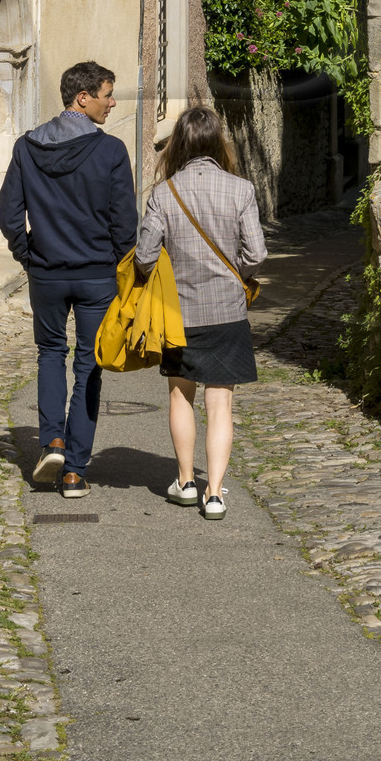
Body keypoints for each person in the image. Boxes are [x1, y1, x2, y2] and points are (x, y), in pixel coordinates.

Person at [0, 60, 137, 499]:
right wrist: (116, 266)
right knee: (89, 366)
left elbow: (7, 215)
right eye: (107, 94)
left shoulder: (26, 147)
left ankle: (51, 442)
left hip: (48, 276)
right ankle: (75, 470)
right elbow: (125, 225)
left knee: (49, 353)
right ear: (83, 97)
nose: (112, 102)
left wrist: (29, 255)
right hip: (97, 276)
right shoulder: (111, 151)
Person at [135, 103, 264, 520]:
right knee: (221, 404)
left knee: (180, 397)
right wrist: (235, 276)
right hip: (227, 311)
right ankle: (215, 494)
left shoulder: (165, 193)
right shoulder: (240, 189)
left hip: (179, 315)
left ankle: (186, 481)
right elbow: (256, 253)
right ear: (217, 142)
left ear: (179, 144)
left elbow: (144, 256)